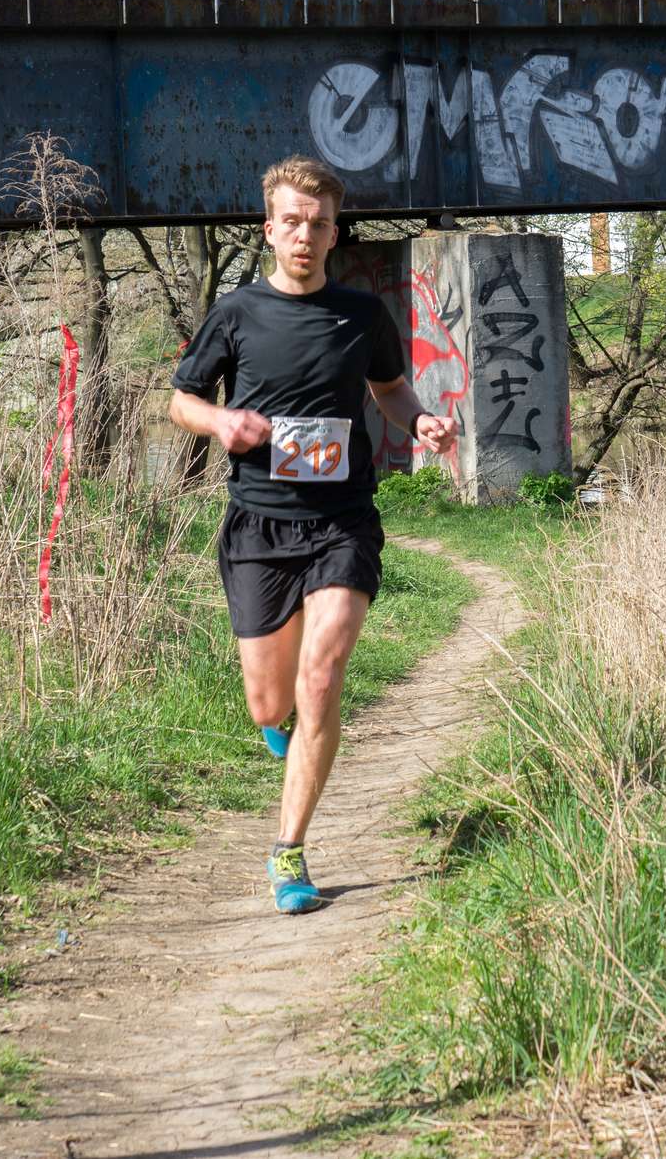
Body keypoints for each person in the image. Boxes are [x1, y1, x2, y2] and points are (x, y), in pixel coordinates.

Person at [168, 156, 458, 915]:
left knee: (322, 677)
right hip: (259, 524)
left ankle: (289, 850)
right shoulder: (236, 313)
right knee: (269, 705)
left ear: (334, 233)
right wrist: (221, 421)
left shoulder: (361, 314)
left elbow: (390, 390)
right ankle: (282, 723)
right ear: (270, 230)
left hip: (343, 521)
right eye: (292, 222)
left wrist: (422, 421)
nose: (305, 235)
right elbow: (180, 402)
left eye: (319, 224)